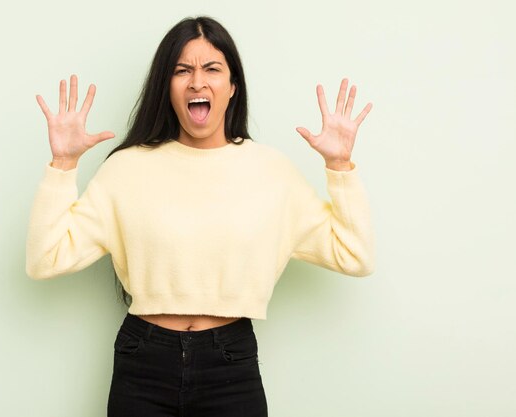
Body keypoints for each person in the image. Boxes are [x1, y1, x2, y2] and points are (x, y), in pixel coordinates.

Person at [26, 15, 374, 417]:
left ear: (232, 87)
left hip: (231, 364)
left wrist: (341, 167)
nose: (197, 82)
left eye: (212, 69)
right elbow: (44, 258)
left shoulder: (271, 172)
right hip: (142, 364)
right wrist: (62, 164)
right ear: (167, 87)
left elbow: (355, 255)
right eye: (182, 71)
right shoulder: (127, 169)